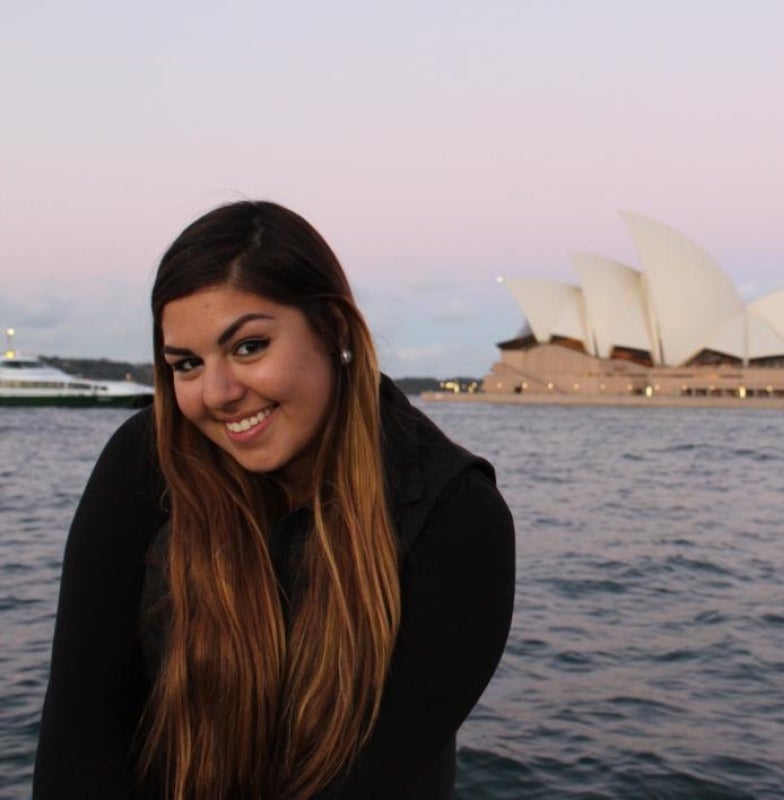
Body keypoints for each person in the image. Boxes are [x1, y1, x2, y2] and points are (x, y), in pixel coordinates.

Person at [33, 201, 515, 799]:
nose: (217, 394)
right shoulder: (144, 462)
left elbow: (372, 780)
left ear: (335, 331)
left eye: (249, 346)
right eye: (187, 364)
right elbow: (79, 737)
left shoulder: (456, 518)